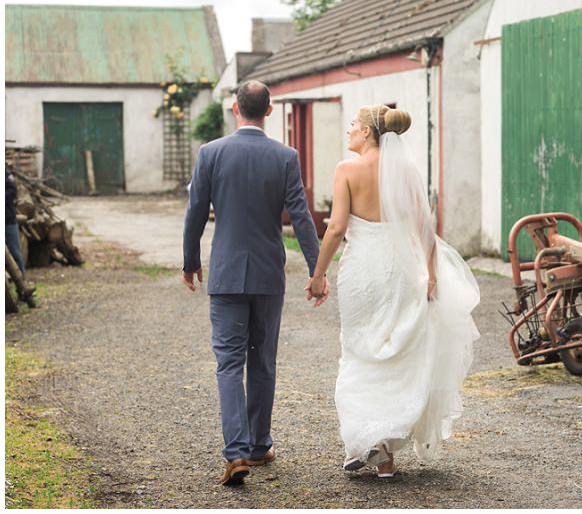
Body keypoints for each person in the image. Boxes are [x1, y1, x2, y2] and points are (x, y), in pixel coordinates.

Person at [307, 105, 480, 478]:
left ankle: (373, 445)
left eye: (352, 125)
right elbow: (424, 224)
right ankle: (384, 454)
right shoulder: (405, 170)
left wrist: (319, 274)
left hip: (363, 272)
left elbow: (336, 228)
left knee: (360, 351)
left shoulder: (346, 170)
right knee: (396, 350)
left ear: (368, 132)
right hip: (401, 271)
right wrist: (431, 273)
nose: (348, 131)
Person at [182, 80, 325, 486]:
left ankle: (236, 452)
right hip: (267, 274)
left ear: (234, 108)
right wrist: (317, 272)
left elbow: (195, 212)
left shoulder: (210, 153)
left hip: (226, 273)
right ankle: (259, 444)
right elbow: (301, 216)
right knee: (262, 361)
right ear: (270, 110)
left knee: (229, 363)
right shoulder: (285, 156)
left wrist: (190, 261)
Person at [6, 165, 26, 274]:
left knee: (15, 252)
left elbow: (12, 191)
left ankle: (22, 282)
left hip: (8, 220)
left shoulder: (6, 173)